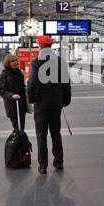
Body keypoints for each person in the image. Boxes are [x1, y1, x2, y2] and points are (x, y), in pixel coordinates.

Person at [27, 36, 71, 175]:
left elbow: (32, 82)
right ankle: (59, 162)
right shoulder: (59, 61)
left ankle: (43, 166)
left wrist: (31, 98)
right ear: (51, 47)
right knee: (56, 133)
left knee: (41, 134)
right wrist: (66, 100)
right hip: (56, 102)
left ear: (40, 46)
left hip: (41, 103)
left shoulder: (36, 62)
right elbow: (66, 83)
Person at [0, 54, 28, 131]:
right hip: (12, 105)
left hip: (21, 104)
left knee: (22, 128)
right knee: (16, 128)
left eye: (15, 61)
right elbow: (2, 91)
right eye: (12, 61)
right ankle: (18, 142)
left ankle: (21, 142)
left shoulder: (19, 73)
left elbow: (22, 87)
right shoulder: (4, 75)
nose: (15, 63)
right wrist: (12, 95)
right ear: (7, 63)